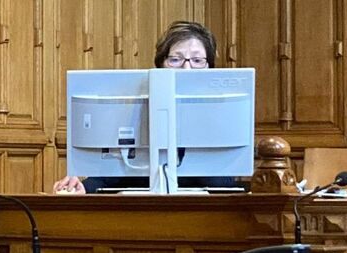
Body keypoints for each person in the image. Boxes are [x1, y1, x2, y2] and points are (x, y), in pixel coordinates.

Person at [52, 21, 237, 194]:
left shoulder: (224, 113)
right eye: (176, 59)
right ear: (160, 65)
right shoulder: (135, 109)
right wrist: (81, 187)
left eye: (197, 61)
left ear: (210, 67)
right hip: (139, 208)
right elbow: (114, 173)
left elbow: (223, 182)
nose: (186, 69)